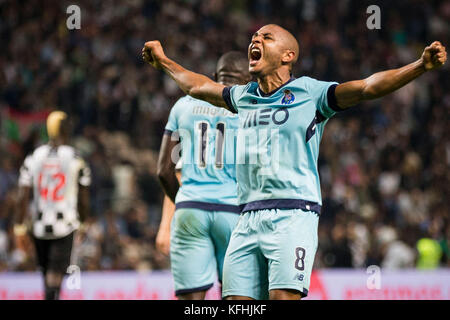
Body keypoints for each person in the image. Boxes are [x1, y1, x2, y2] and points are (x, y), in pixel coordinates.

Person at [142, 24, 447, 300]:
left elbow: (368, 87)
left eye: (266, 37)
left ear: (288, 56)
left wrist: (420, 66)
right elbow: (197, 87)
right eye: (253, 37)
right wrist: (164, 61)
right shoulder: (243, 96)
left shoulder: (310, 93)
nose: (256, 40)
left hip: (292, 214)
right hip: (245, 218)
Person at [155, 51, 251, 299]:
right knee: (238, 298)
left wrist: (186, 201)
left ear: (213, 77)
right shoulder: (250, 108)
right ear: (247, 81)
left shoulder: (183, 106)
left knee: (192, 300)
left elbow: (164, 171)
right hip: (233, 212)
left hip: (190, 208)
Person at [15, 111, 91, 300]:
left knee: (45, 273)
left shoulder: (34, 156)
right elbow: (83, 195)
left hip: (39, 224)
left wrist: (19, 226)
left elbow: (22, 195)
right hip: (65, 224)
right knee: (56, 276)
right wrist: (83, 221)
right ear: (65, 129)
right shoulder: (74, 157)